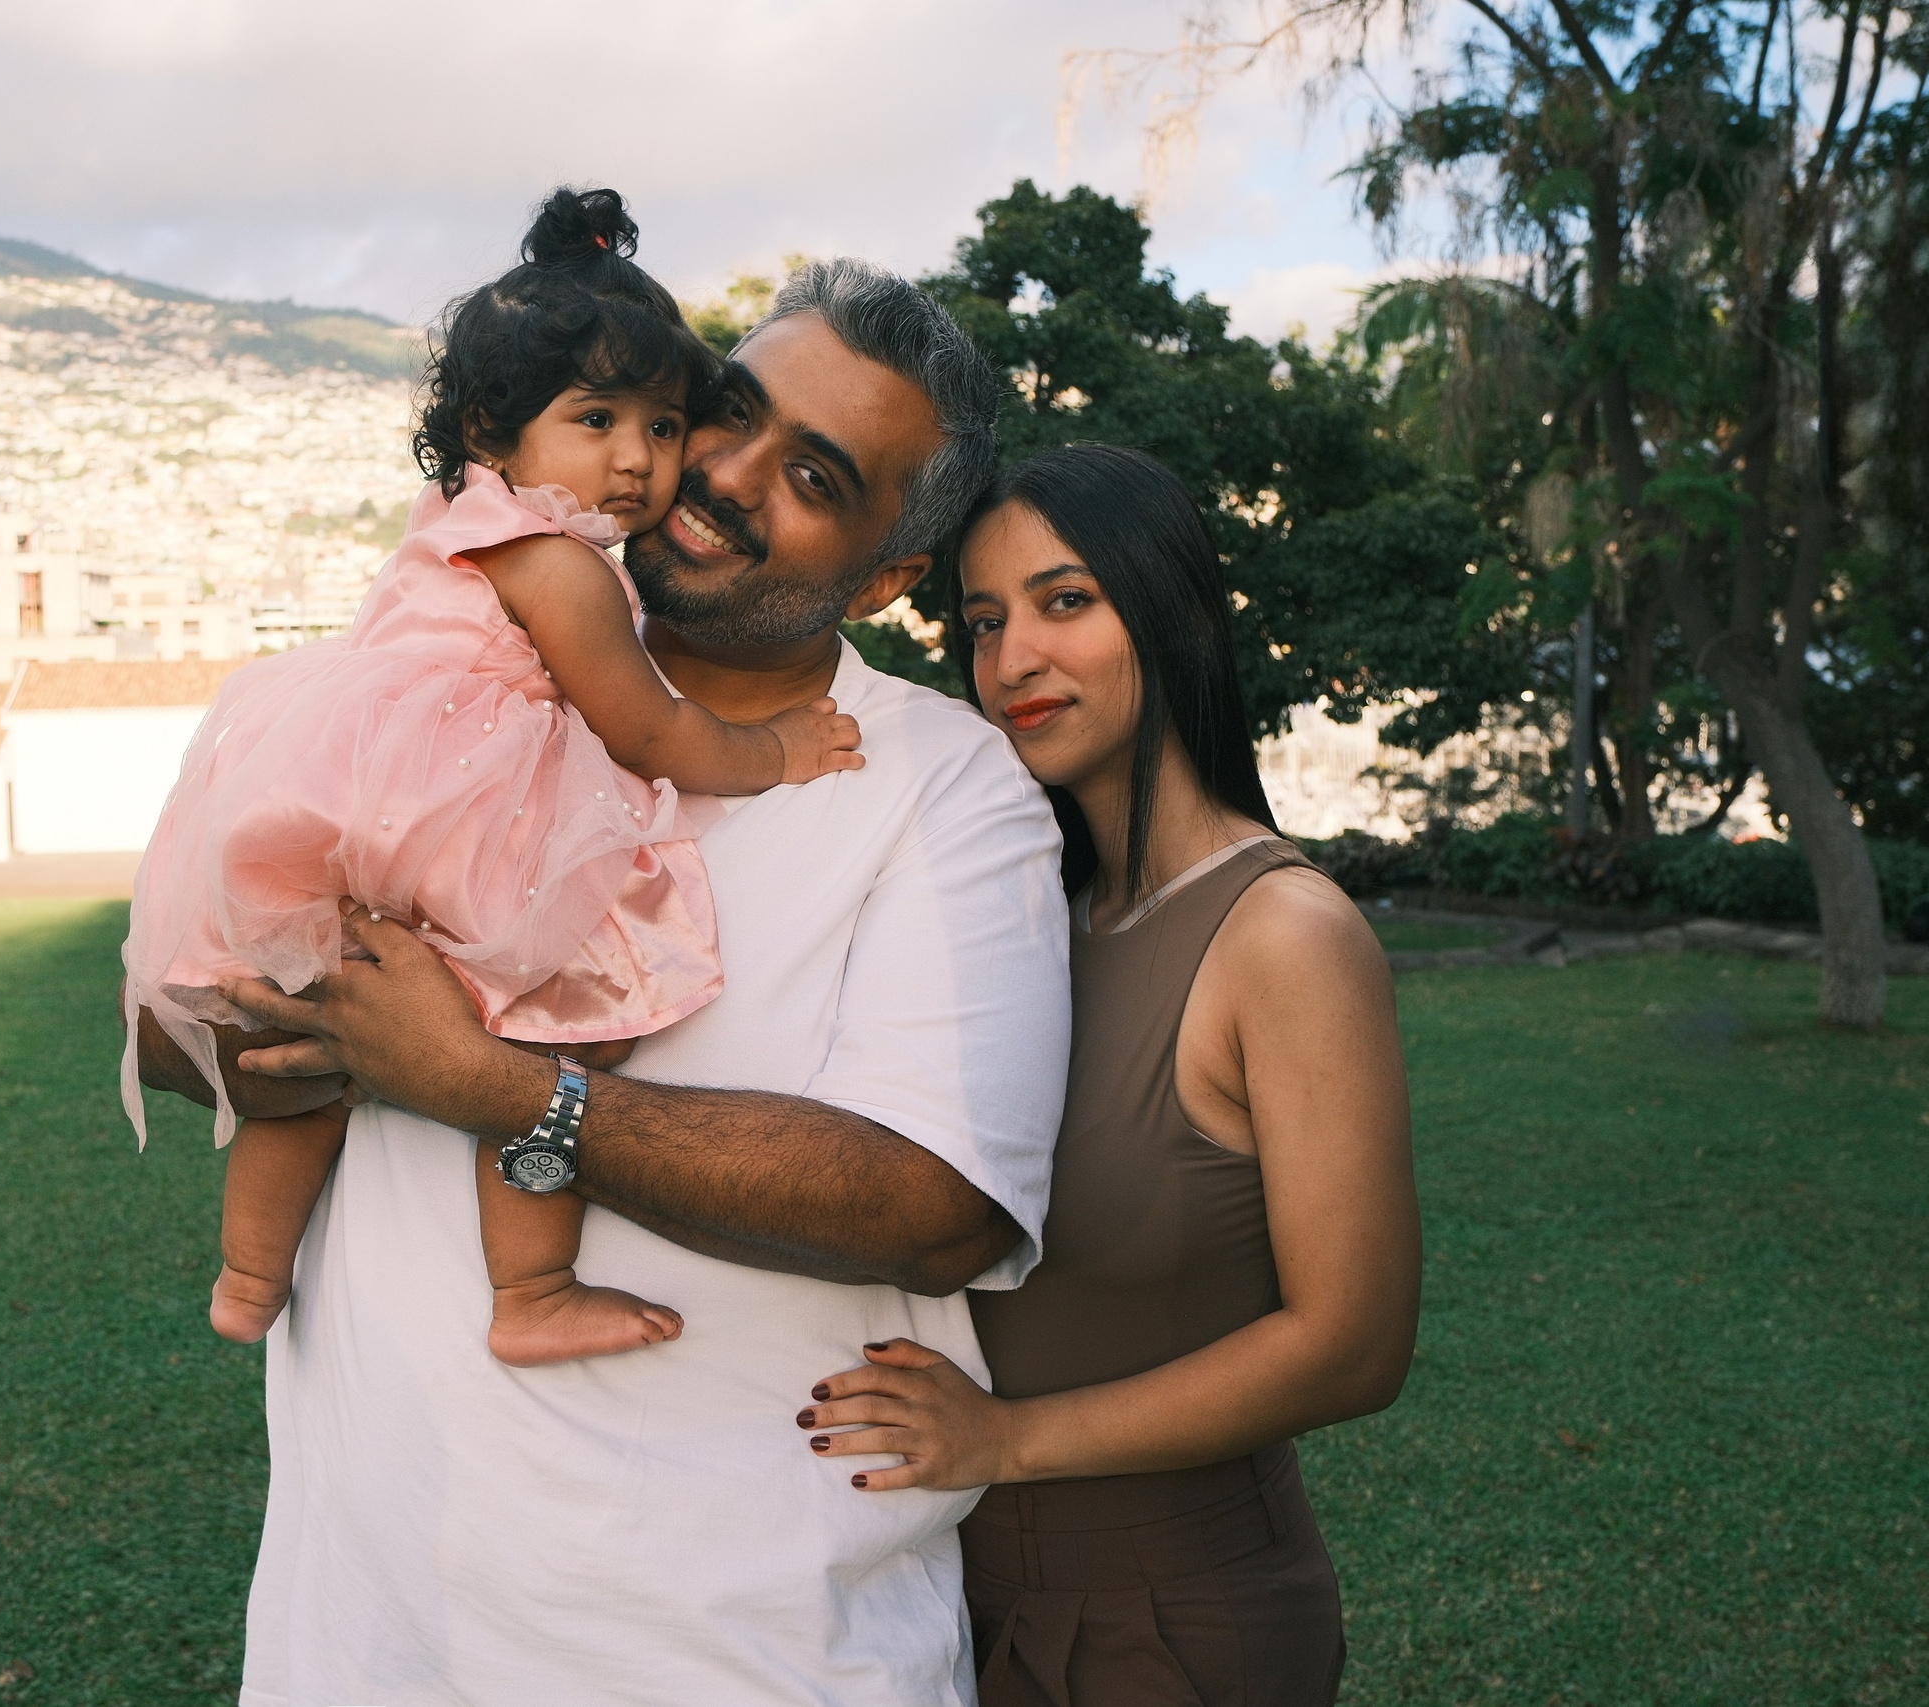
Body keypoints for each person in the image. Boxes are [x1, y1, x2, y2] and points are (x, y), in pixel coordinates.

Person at [133, 259, 1070, 1705]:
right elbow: (171, 1034)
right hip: (364, 1634)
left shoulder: (943, 791)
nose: (719, 472)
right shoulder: (438, 692)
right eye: (729, 412)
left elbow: (935, 1201)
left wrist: (501, 1090)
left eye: (813, 473)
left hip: (727, 1651)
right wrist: (278, 1033)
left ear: (886, 577)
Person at [121, 188, 862, 1369]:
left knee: (323, 1055)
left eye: (665, 427)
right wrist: (779, 750)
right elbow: (651, 731)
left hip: (348, 811)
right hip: (450, 816)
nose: (636, 460)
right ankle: (531, 1289)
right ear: (490, 426)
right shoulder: (557, 562)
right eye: (596, 419)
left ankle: (249, 1277)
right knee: (558, 1041)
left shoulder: (450, 521)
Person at [793, 445, 1422, 1706]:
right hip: (955, 1602)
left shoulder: (1283, 936)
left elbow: (1354, 1346)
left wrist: (1008, 1441)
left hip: (1177, 1621)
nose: (1011, 658)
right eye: (983, 621)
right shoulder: (1029, 922)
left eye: (1064, 601)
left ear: (1170, 606)